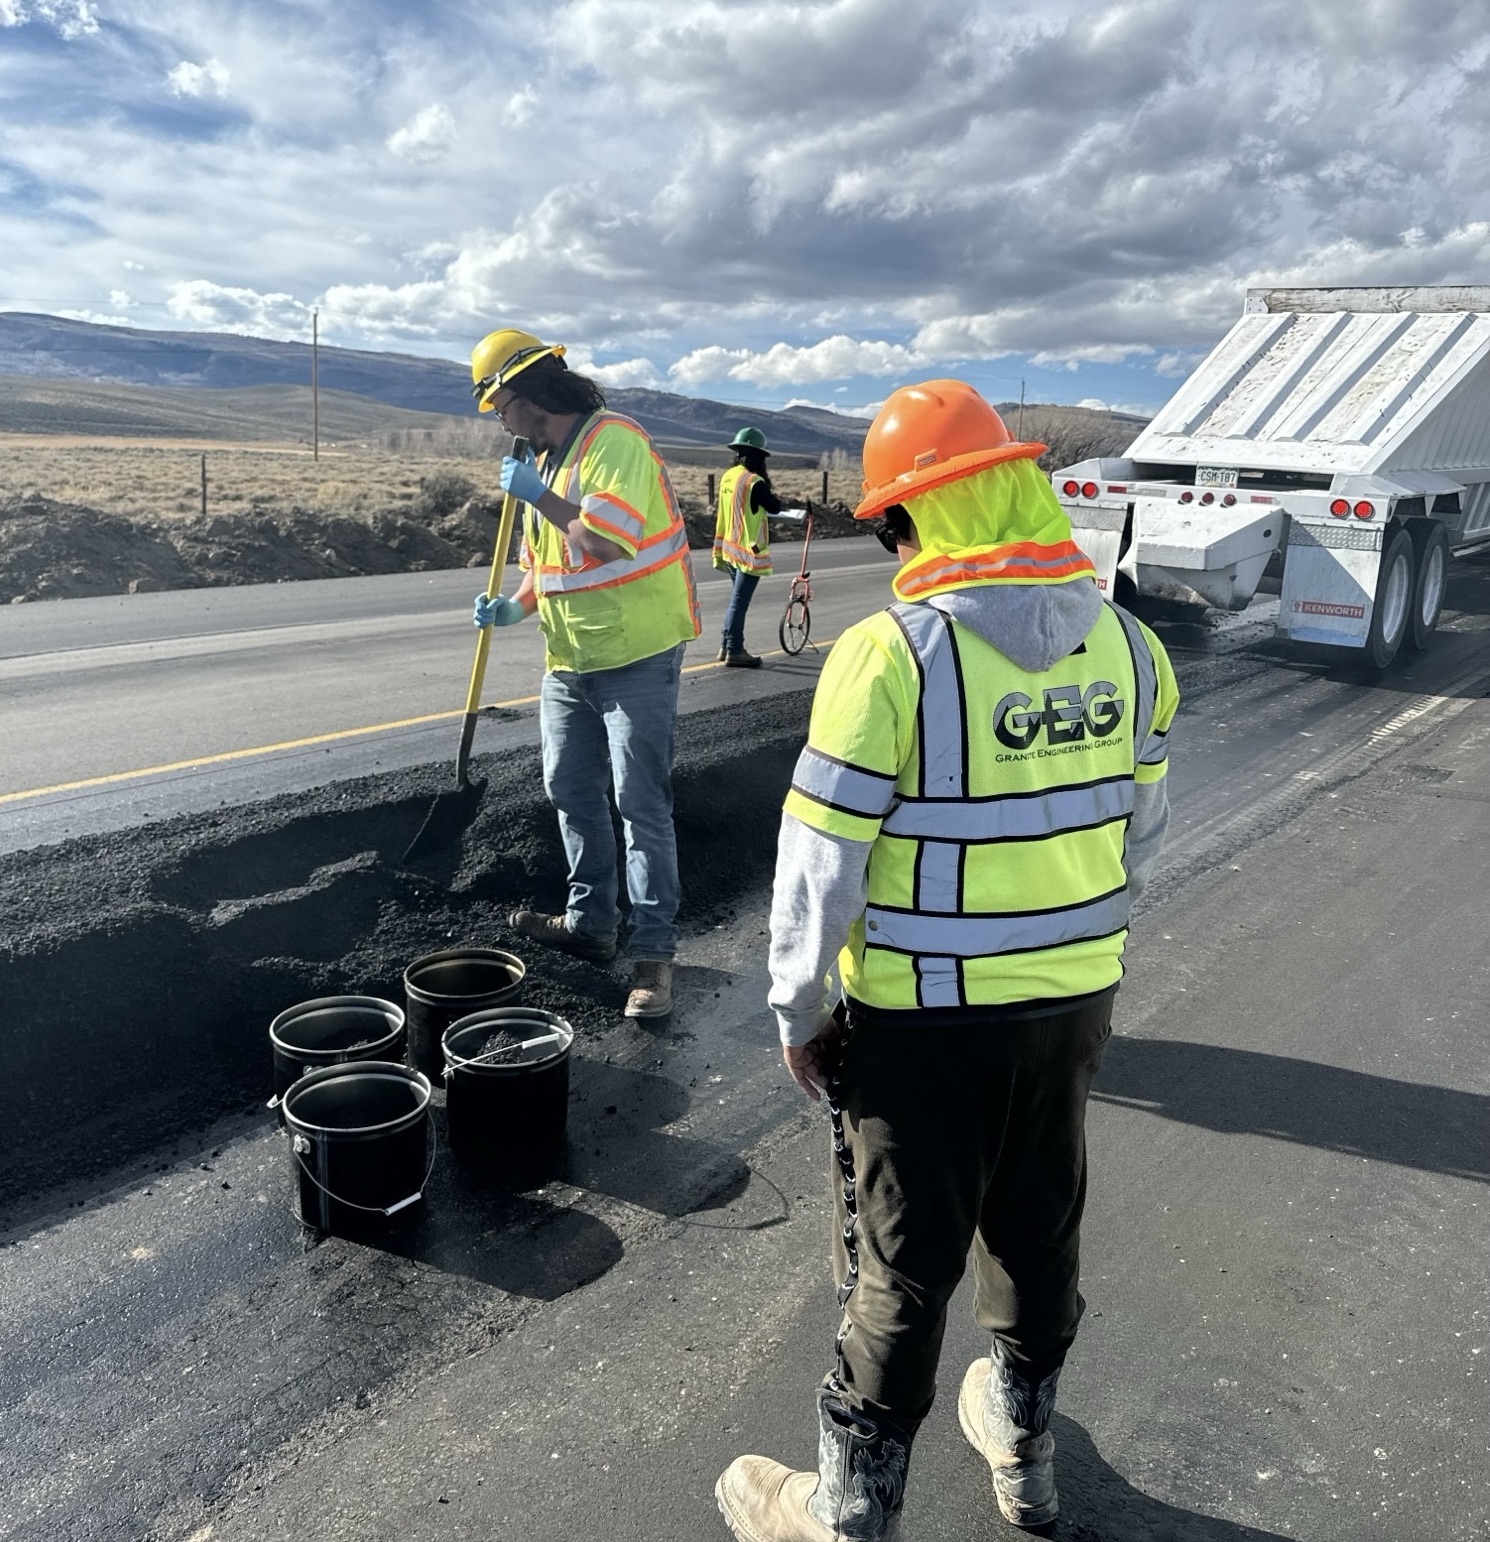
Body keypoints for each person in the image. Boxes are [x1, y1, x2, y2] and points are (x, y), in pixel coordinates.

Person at [715, 380, 1178, 1540]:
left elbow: (819, 868)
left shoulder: (890, 657)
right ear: (1015, 491)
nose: (894, 545)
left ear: (923, 516)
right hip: (1070, 1005)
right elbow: (1141, 833)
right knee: (1035, 1221)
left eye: (893, 523)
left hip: (920, 1026)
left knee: (899, 1267)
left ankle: (848, 1511)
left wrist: (797, 1010)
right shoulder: (1128, 645)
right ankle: (1024, 1452)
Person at [468, 328, 701, 1019]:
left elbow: (600, 542)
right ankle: (591, 925)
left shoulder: (613, 444)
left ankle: (654, 957)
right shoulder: (551, 461)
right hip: (568, 661)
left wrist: (538, 496)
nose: (500, 421)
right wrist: (514, 607)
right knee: (570, 791)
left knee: (640, 806)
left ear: (530, 394)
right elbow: (550, 565)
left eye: (500, 406)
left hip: (638, 655)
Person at [713, 426, 783, 667]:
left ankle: (725, 645)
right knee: (739, 603)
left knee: (735, 600)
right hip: (748, 552)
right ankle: (735, 650)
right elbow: (774, 506)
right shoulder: (754, 481)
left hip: (730, 547)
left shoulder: (729, 476)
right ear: (758, 456)